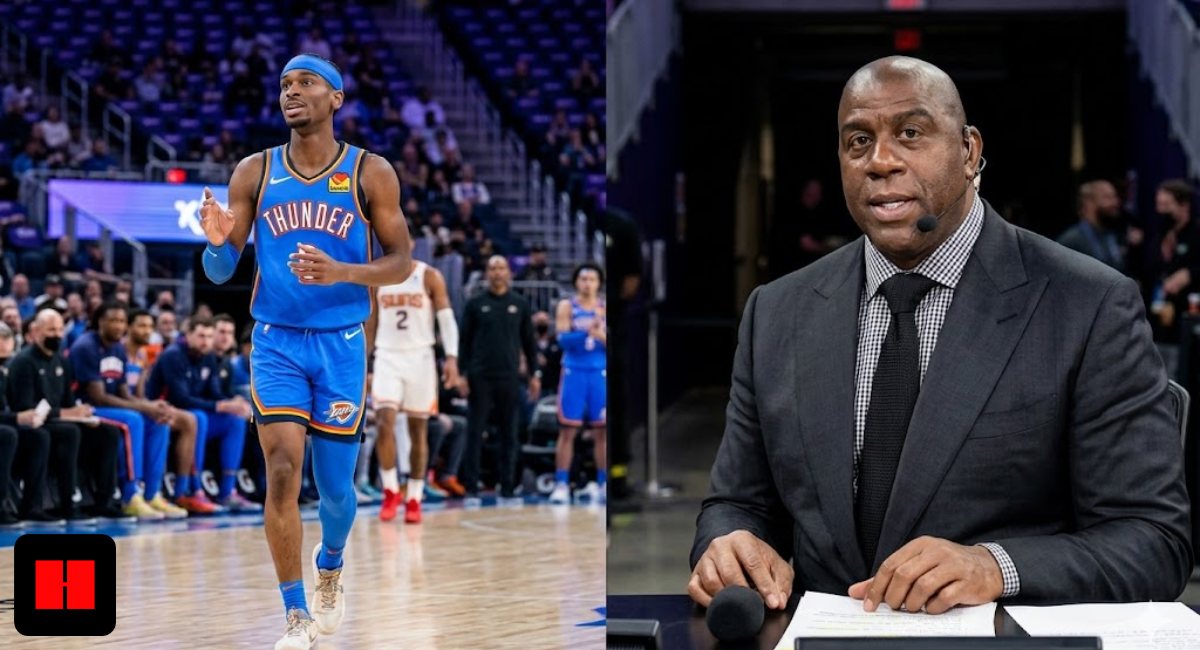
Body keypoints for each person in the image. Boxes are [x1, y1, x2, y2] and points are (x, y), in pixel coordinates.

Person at [689, 56, 1192, 615]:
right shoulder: (776, 311)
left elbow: (1153, 544)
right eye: (858, 141)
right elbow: (736, 503)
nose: (880, 161)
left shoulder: (1089, 304)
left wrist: (995, 566)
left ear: (970, 151)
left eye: (910, 133)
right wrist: (729, 545)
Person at [199, 53, 411, 649]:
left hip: (343, 344)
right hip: (276, 343)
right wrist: (217, 244)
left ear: (336, 98)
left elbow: (401, 262)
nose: (293, 92)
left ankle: (332, 563)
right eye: (286, 84)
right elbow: (219, 272)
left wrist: (342, 269)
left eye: (307, 83)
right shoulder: (255, 171)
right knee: (283, 473)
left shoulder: (371, 172)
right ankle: (295, 616)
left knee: (338, 489)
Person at [366, 229, 459, 523]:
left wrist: (452, 359)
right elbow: (371, 322)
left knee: (418, 430)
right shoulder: (377, 277)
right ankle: (391, 490)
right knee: (384, 422)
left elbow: (446, 319)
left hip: (420, 357)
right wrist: (364, 364)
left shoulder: (428, 275)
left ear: (412, 244)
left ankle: (415, 495)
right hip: (387, 356)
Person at [69, 300, 187, 520]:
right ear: (100, 322)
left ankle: (152, 493)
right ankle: (130, 495)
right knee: (133, 419)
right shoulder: (86, 346)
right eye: (113, 320)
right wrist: (143, 408)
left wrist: (151, 407)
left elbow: (125, 394)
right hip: (85, 409)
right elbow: (98, 396)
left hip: (111, 406)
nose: (118, 326)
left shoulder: (118, 350)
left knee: (159, 420)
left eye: (122, 321)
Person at [8, 309, 122, 524]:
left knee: (107, 432)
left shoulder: (63, 361)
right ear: (35, 331)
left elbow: (69, 403)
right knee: (67, 432)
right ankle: (66, 504)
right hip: (32, 425)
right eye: (51, 329)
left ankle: (104, 502)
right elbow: (24, 408)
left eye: (60, 329)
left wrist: (84, 416)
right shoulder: (24, 362)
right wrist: (68, 414)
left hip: (57, 423)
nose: (57, 334)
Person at [146, 317, 256, 513]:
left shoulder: (208, 356)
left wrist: (233, 404)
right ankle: (192, 490)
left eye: (208, 336)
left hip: (192, 414)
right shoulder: (173, 355)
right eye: (200, 336)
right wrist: (221, 405)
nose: (205, 341)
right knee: (199, 418)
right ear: (188, 336)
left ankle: (227, 491)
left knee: (234, 420)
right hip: (164, 412)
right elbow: (181, 399)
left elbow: (214, 393)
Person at [458, 256, 540, 498]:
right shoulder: (475, 304)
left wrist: (534, 374)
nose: (497, 272)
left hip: (509, 376)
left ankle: (507, 486)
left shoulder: (520, 304)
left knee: (509, 433)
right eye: (492, 268)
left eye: (501, 268)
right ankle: (471, 486)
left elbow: (529, 342)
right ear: (486, 273)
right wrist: (462, 374)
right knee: (475, 432)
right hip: (479, 376)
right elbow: (465, 343)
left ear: (509, 273)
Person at [125, 308, 211, 514]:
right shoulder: (120, 352)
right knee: (146, 419)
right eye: (141, 325)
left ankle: (164, 493)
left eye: (148, 326)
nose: (146, 330)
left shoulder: (142, 355)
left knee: (175, 419)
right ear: (129, 328)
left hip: (140, 406)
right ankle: (132, 493)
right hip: (124, 409)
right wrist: (151, 406)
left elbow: (139, 394)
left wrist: (152, 406)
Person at [548, 263, 607, 505]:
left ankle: (603, 483)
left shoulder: (604, 307)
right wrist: (586, 333)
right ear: (576, 282)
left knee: (601, 431)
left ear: (598, 283)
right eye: (583, 279)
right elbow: (563, 340)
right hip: (574, 371)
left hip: (599, 372)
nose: (587, 283)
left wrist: (599, 334)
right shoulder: (567, 306)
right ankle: (561, 483)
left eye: (592, 279)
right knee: (568, 430)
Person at [1056, 180, 1125, 272]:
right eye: (1108, 197)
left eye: (1115, 197)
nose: (1116, 202)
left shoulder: (1111, 234)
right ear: (1089, 202)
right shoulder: (1071, 240)